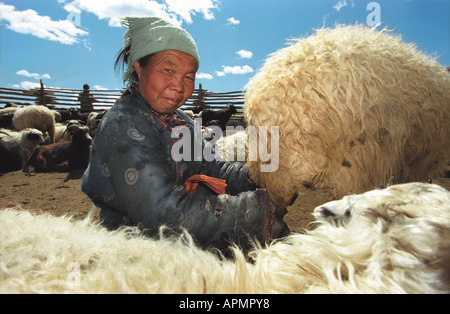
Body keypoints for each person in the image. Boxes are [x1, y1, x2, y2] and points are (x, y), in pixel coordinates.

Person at [81, 17, 288, 251]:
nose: (179, 86)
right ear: (139, 67)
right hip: (137, 244)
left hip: (189, 230)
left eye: (188, 77)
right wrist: (257, 211)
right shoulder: (123, 124)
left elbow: (214, 168)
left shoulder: (182, 120)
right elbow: (163, 213)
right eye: (168, 70)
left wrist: (264, 177)